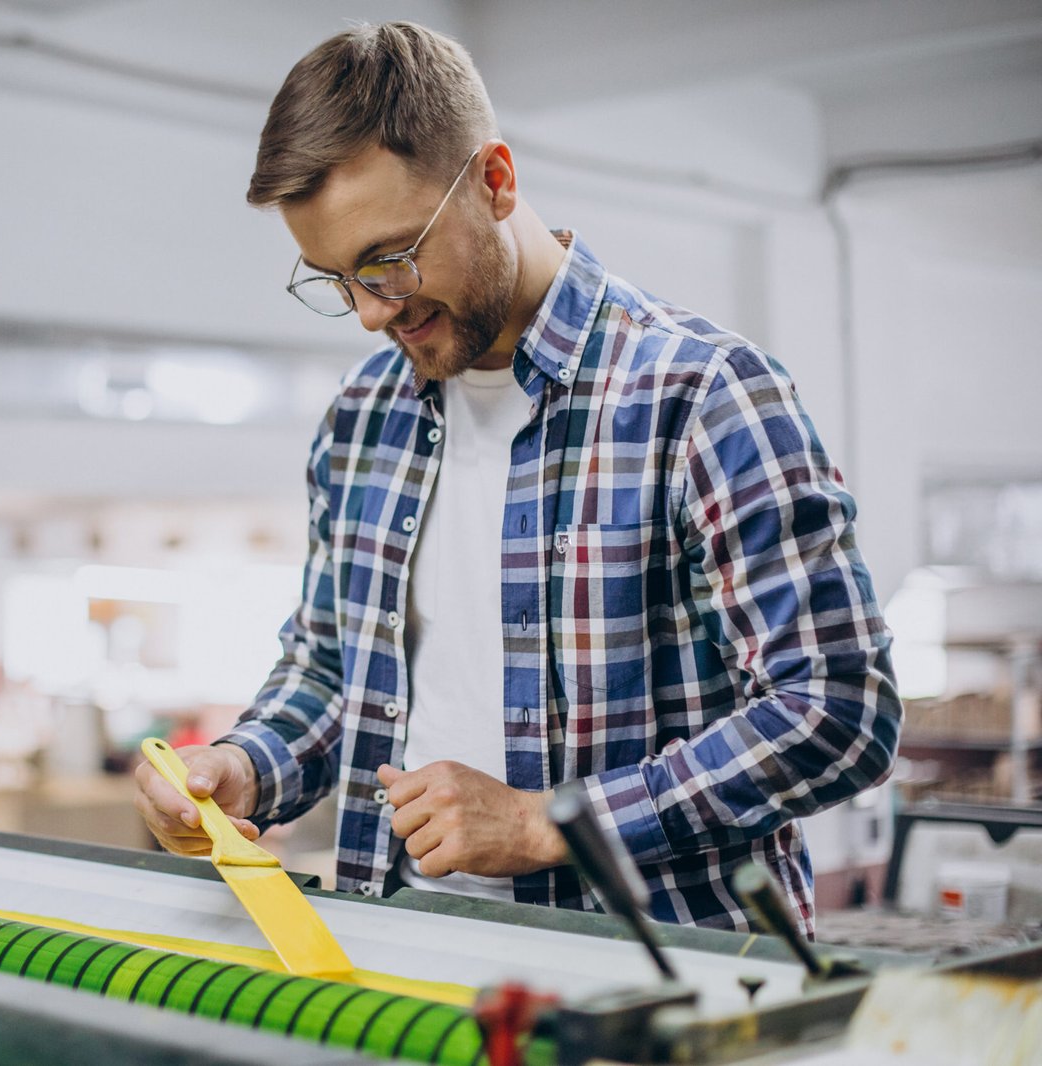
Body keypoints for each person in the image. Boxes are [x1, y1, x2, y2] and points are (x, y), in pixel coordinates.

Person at [133, 21, 900, 933]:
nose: (374, 314)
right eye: (338, 280)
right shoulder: (364, 415)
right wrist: (245, 764)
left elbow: (838, 711)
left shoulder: (701, 396)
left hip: (660, 983)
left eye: (389, 259)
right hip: (404, 953)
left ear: (495, 181)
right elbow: (334, 671)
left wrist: (553, 825)